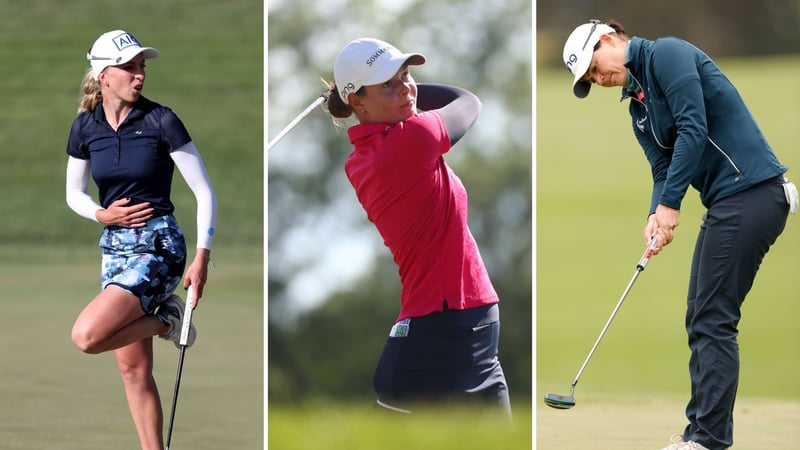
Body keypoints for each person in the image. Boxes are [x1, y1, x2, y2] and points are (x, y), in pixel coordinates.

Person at [562, 19, 797, 450]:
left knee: (713, 319)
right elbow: (662, 167)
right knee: (701, 317)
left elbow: (694, 126)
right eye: (590, 80)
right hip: (729, 202)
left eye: (594, 68)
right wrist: (657, 211)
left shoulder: (667, 54)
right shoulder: (637, 108)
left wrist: (672, 205)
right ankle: (699, 434)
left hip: (754, 192)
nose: (598, 79)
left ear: (609, 39)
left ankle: (707, 440)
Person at [323, 37, 511, 416]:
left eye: (406, 76)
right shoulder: (411, 140)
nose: (406, 89)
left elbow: (426, 103)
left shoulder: (362, 158)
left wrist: (393, 92)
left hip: (457, 319)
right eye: (388, 84)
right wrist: (410, 93)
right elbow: (467, 102)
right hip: (445, 323)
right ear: (357, 102)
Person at [65, 30, 217, 450]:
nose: (139, 75)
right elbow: (73, 193)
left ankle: (165, 320)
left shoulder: (161, 120)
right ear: (103, 75)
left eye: (141, 67)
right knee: (133, 370)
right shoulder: (85, 127)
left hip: (159, 246)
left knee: (87, 336)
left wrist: (201, 258)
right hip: (114, 248)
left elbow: (204, 191)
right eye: (129, 67)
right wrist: (102, 214)